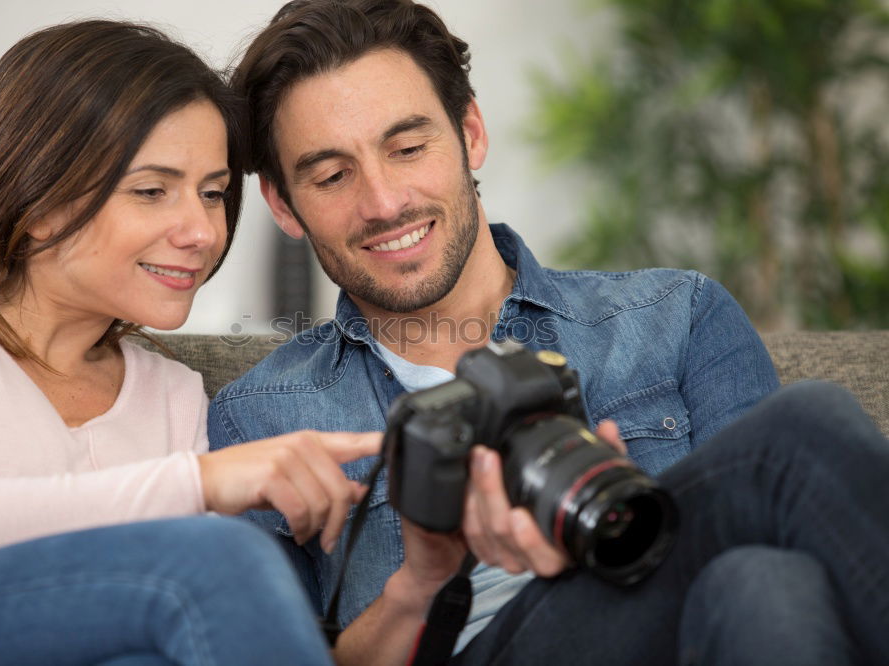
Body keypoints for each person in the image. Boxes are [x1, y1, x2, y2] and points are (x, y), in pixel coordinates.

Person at [209, 1, 889, 664]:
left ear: (470, 133)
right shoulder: (262, 418)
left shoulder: (676, 316)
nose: (384, 203)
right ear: (283, 204)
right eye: (332, 175)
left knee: (766, 587)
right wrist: (422, 581)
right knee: (803, 430)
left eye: (409, 147)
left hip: (694, 634)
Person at [0, 20, 381, 665]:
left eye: (213, 194)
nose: (203, 231)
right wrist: (196, 482)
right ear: (37, 198)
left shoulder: (170, 394)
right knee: (220, 560)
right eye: (152, 191)